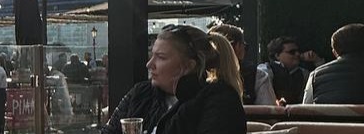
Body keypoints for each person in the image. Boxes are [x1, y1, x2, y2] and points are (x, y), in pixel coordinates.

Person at [101, 24, 245, 134]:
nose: (149, 64)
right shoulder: (141, 93)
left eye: (161, 57)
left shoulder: (220, 101)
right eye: (152, 55)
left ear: (189, 65)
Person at [209, 23, 276, 105]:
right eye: (245, 46)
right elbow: (269, 111)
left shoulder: (200, 74)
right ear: (238, 47)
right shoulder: (257, 76)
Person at [264, 37, 315, 106]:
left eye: (298, 51)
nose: (297, 54)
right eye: (292, 52)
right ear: (277, 56)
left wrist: (317, 61)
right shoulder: (266, 71)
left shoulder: (304, 74)